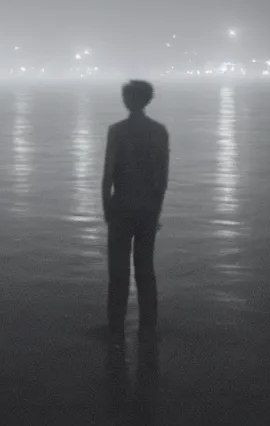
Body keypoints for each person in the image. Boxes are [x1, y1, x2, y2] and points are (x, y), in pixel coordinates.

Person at [102, 79, 169, 342]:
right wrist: (157, 211)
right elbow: (162, 178)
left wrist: (107, 210)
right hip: (148, 208)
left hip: (121, 207)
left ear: (128, 99)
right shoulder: (159, 131)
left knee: (118, 273)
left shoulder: (117, 131)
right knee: (145, 270)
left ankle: (115, 328)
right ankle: (148, 328)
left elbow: (108, 175)